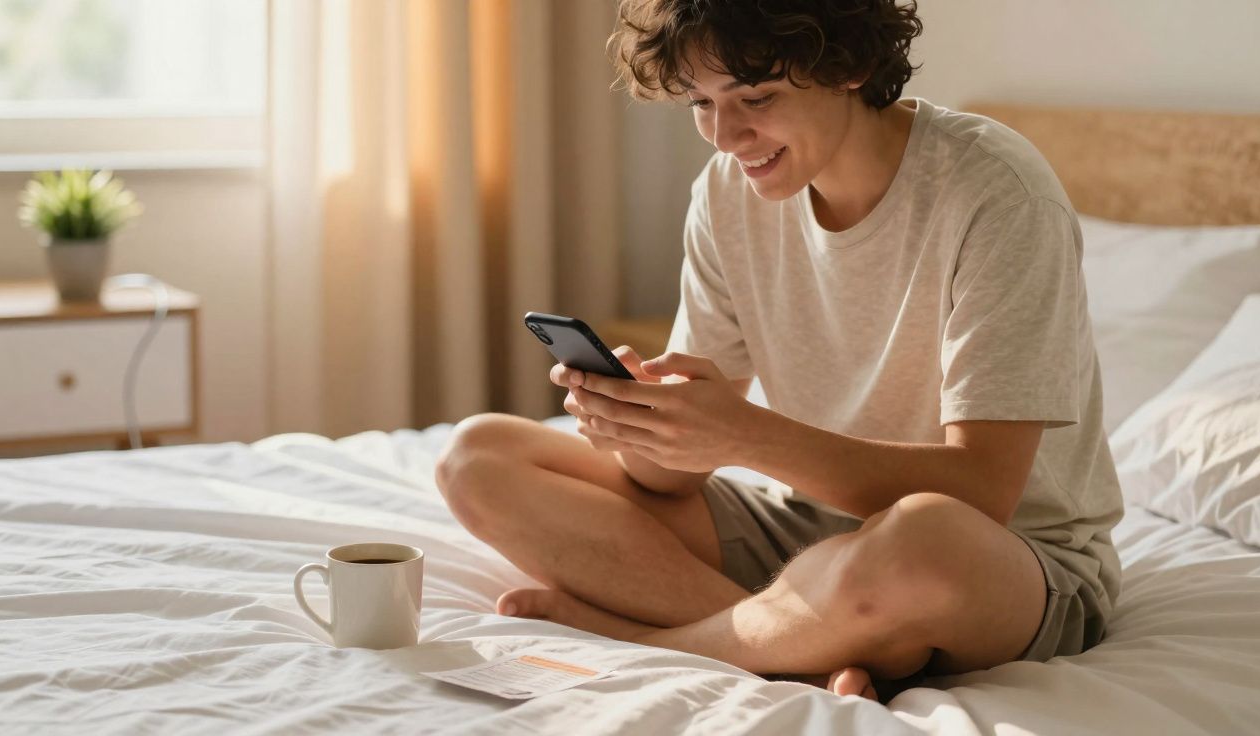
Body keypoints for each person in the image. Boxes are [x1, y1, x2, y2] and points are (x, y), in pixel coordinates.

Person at [435, 0, 1122, 700]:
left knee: (924, 538)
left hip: (999, 560)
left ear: (848, 67)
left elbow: (983, 494)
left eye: (756, 97)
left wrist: (745, 436)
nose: (726, 136)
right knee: (479, 457)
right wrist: (643, 427)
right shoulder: (728, 196)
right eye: (702, 102)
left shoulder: (996, 193)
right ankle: (800, 646)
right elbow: (672, 480)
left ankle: (658, 640)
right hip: (802, 532)